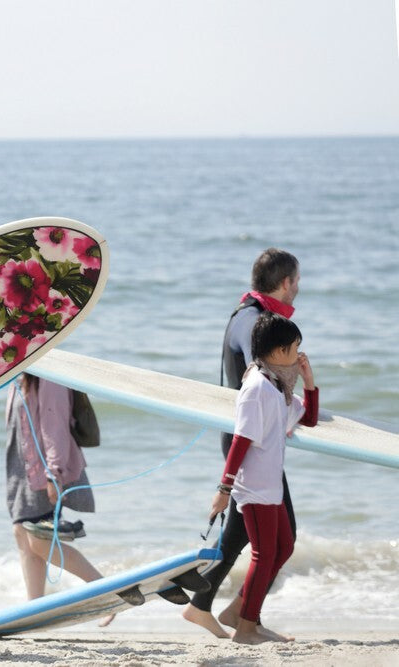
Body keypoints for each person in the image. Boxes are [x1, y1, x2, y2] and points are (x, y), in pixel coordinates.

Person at [183, 248, 302, 638]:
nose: (298, 289)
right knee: (271, 538)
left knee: (241, 534)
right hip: (247, 442)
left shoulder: (248, 314)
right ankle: (232, 614)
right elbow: (265, 374)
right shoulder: (252, 320)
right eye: (297, 282)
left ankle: (217, 608)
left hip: (253, 441)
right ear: (285, 283)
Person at [207, 312, 318, 644]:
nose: (299, 354)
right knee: (264, 554)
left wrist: (309, 382)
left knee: (283, 547)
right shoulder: (257, 386)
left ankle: (242, 613)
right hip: (254, 487)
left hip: (271, 487)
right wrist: (224, 489)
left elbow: (308, 419)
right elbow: (241, 440)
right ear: (280, 350)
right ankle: (246, 628)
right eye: (296, 347)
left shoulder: (277, 386)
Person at [6, 373, 137, 623]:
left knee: (39, 539)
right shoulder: (18, 373)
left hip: (41, 469)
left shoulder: (48, 376)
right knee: (22, 535)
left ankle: (107, 592)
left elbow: (54, 426)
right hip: (19, 467)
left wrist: (53, 473)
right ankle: (34, 609)